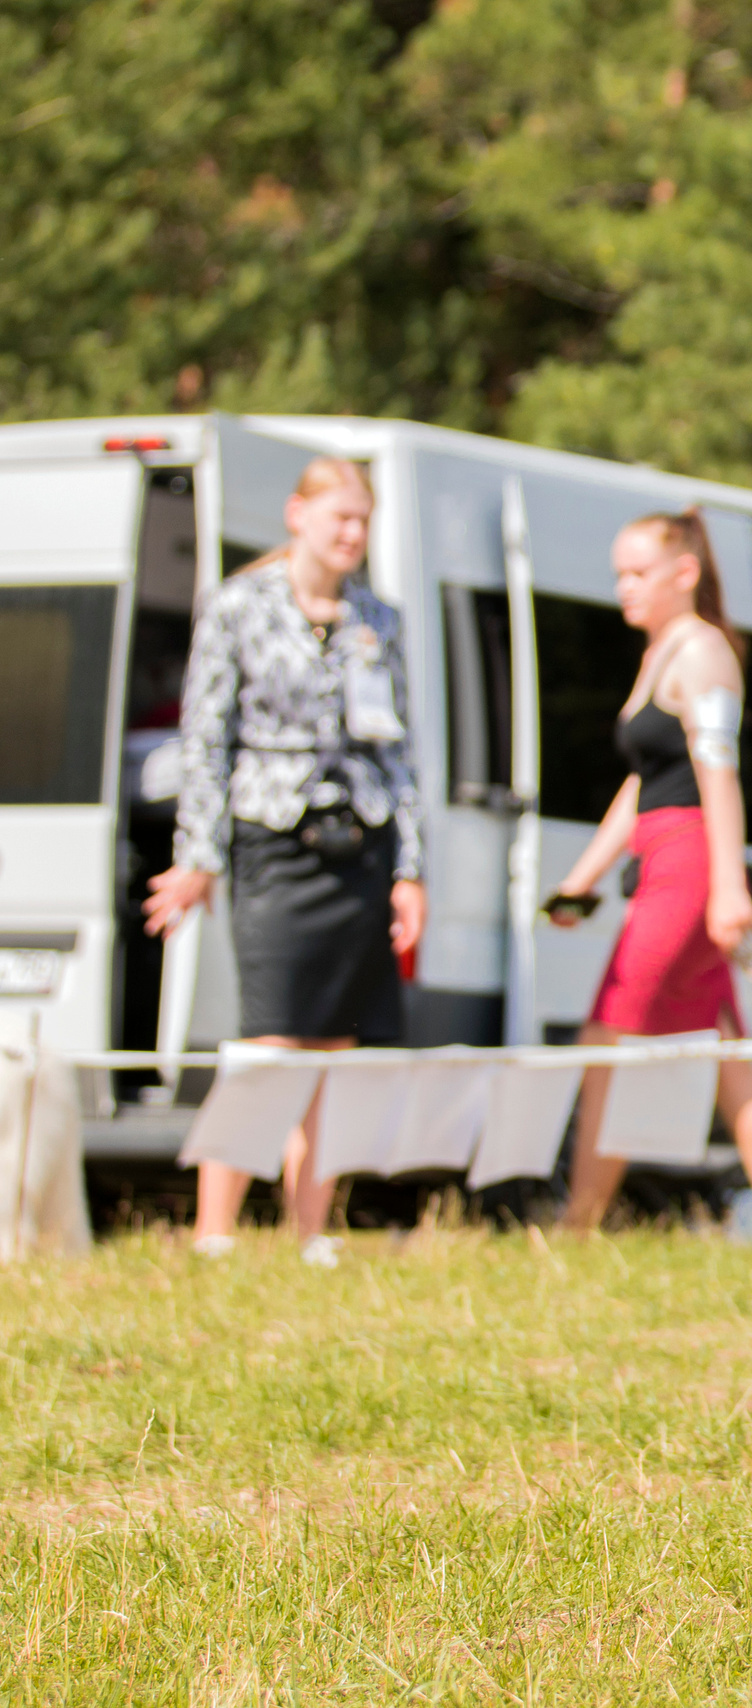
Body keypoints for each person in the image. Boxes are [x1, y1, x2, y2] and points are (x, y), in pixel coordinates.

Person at [145, 455, 425, 1269]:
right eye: (340, 518)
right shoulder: (238, 607)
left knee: (335, 1046)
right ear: (297, 515)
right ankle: (216, 1230)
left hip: (361, 845)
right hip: (272, 838)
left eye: (364, 522)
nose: (353, 535)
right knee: (270, 1044)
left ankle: (312, 1228)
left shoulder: (380, 617)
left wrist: (411, 869)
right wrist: (199, 854)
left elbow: (402, 753)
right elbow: (205, 738)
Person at [543, 508, 752, 1245]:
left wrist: (728, 886)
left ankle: (577, 1225)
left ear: (684, 573)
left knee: (609, 1033)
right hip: (662, 856)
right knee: (726, 1052)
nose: (622, 588)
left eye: (636, 573)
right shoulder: (660, 652)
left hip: (692, 864)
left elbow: (717, 778)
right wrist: (582, 878)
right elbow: (643, 783)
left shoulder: (703, 654)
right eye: (619, 574)